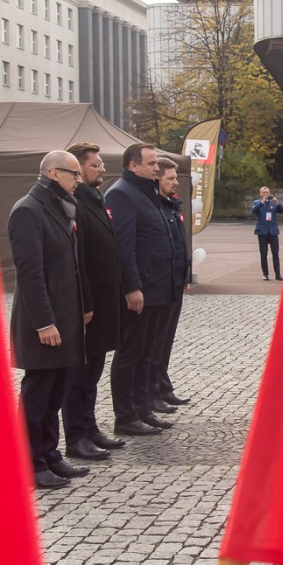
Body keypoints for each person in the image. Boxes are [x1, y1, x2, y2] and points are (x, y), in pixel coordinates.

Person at [9, 150, 90, 489]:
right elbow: (30, 274)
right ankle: (29, 463)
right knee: (38, 393)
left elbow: (70, 266)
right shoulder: (28, 210)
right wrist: (44, 323)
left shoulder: (60, 206)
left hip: (64, 317)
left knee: (55, 392)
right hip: (41, 323)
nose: (79, 180)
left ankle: (49, 453)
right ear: (54, 174)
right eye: (74, 174)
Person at [105, 143, 178, 436]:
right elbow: (124, 246)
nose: (156, 168)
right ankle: (125, 416)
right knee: (131, 353)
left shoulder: (147, 191)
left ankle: (143, 408)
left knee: (148, 352)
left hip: (158, 287)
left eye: (156, 164)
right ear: (133, 165)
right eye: (150, 164)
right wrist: (132, 286)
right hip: (142, 289)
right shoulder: (122, 193)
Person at [61, 142, 126, 462]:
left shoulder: (96, 200)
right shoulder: (76, 204)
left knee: (93, 372)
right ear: (78, 169)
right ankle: (76, 436)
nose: (102, 168)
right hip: (88, 307)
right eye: (95, 165)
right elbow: (79, 261)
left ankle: (89, 428)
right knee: (78, 376)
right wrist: (86, 304)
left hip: (103, 304)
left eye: (101, 164)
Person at [151, 157, 192, 411]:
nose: (176, 182)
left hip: (174, 283)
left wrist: (184, 275)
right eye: (171, 178)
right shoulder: (156, 206)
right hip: (160, 284)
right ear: (158, 180)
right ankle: (152, 391)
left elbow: (179, 244)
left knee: (165, 341)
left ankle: (162, 386)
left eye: (176, 177)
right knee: (155, 342)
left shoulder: (171, 206)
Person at [252, 186, 283, 281]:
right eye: (264, 192)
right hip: (262, 232)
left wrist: (278, 203)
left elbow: (282, 211)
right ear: (260, 194)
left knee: (275, 253)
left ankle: (277, 274)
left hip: (273, 232)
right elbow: (254, 211)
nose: (266, 194)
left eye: (267, 192)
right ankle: (265, 274)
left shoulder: (273, 203)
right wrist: (262, 202)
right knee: (263, 254)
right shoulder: (257, 203)